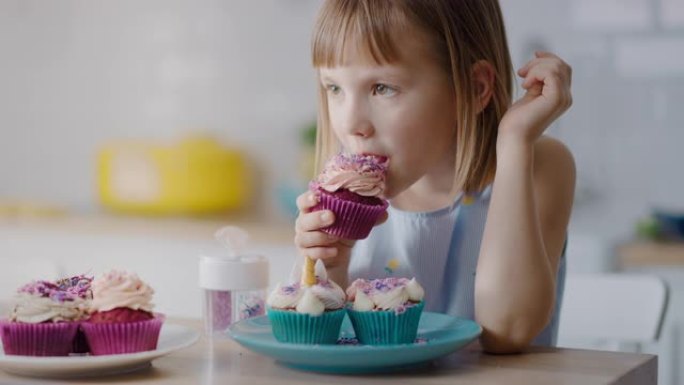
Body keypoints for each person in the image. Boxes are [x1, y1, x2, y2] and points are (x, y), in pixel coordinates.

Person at [293, 0, 575, 354]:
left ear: (474, 89)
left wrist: (515, 141)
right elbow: (315, 341)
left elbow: (508, 331)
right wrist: (331, 268)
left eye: (382, 88)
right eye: (334, 88)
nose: (351, 125)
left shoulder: (537, 164)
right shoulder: (341, 190)